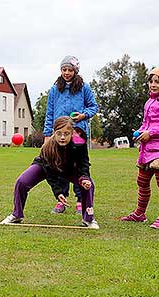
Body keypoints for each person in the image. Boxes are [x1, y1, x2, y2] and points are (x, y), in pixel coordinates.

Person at [1, 116, 99, 229]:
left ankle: (88, 219)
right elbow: (50, 173)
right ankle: (16, 214)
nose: (62, 137)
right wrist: (58, 192)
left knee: (88, 185)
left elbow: (84, 163)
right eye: (59, 133)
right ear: (54, 132)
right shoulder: (48, 147)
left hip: (69, 169)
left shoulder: (80, 141)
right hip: (45, 167)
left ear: (72, 133)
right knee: (22, 182)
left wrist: (84, 178)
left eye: (66, 134)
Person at [121, 66, 159, 229]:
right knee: (142, 181)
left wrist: (150, 133)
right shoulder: (149, 102)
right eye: (151, 81)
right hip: (148, 150)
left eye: (157, 81)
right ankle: (140, 213)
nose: (153, 84)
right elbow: (147, 124)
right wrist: (140, 131)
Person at [43, 55, 98, 214]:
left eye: (70, 69)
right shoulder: (55, 89)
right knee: (59, 165)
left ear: (75, 71)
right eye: (64, 69)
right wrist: (48, 134)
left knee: (78, 166)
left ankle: (81, 201)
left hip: (77, 133)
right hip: (59, 134)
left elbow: (93, 107)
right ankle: (61, 200)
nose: (66, 72)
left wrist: (83, 115)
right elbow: (50, 112)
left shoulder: (84, 87)